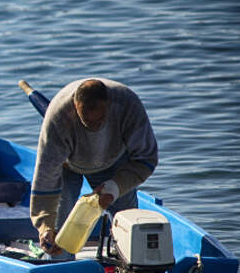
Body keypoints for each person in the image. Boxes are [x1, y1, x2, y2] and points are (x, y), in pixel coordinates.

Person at [30, 78, 158, 257]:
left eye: (99, 120)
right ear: (75, 106)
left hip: (114, 160)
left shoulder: (128, 105)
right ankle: (62, 272)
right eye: (86, 122)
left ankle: (131, 270)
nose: (93, 126)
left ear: (109, 104)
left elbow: (146, 158)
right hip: (68, 164)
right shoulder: (58, 117)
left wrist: (114, 188)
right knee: (58, 237)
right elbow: (45, 177)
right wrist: (44, 226)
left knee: (129, 227)